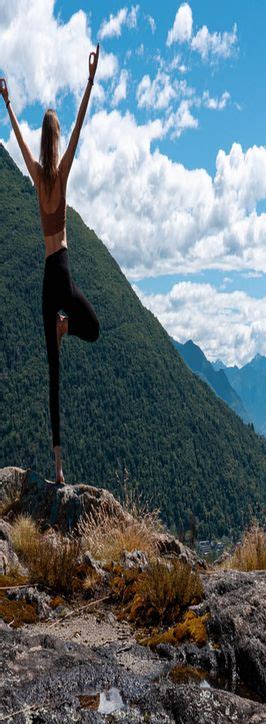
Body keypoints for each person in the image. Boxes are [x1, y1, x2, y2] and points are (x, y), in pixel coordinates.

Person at [0, 46, 101, 485]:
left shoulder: (39, 178)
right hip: (64, 267)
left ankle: (58, 468)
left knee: (51, 375)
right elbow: (79, 125)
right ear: (57, 138)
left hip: (46, 275)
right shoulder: (61, 173)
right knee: (92, 328)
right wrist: (90, 81)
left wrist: (6, 102)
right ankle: (67, 327)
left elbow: (19, 140)